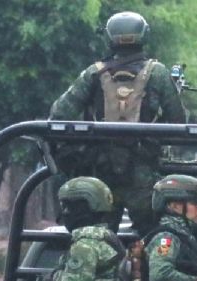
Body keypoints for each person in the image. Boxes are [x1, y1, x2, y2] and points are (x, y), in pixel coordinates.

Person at [49, 11, 187, 235]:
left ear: (109, 37)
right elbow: (178, 122)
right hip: (144, 176)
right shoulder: (159, 73)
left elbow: (59, 114)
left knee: (98, 237)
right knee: (153, 238)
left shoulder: (93, 73)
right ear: (144, 35)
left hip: (101, 174)